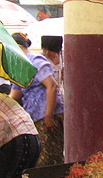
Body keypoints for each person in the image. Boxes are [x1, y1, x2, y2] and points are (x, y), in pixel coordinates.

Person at [9, 33, 65, 166]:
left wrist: (48, 117)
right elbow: (15, 94)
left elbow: (51, 86)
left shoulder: (35, 61)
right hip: (33, 118)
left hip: (46, 117)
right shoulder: (20, 66)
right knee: (39, 156)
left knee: (49, 159)